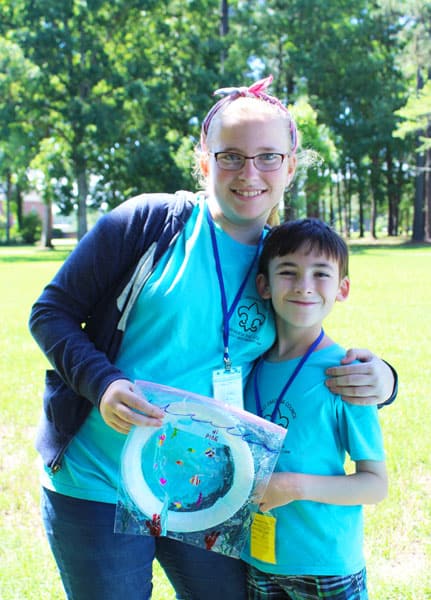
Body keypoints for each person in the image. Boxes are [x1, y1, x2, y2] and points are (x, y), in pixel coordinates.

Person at [29, 75, 396, 600]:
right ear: (204, 161)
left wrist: (384, 378)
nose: (250, 173)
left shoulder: (284, 260)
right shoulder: (148, 223)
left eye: (268, 156)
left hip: (212, 488)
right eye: (231, 156)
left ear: (291, 165)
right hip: (100, 482)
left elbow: (310, 353)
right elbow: (51, 311)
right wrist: (102, 384)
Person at [242, 218, 388, 600]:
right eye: (288, 272)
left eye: (320, 274)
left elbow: (375, 484)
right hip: (258, 558)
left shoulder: (347, 375)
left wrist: (294, 486)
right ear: (264, 285)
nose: (304, 285)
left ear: (342, 288)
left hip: (327, 564)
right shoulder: (247, 368)